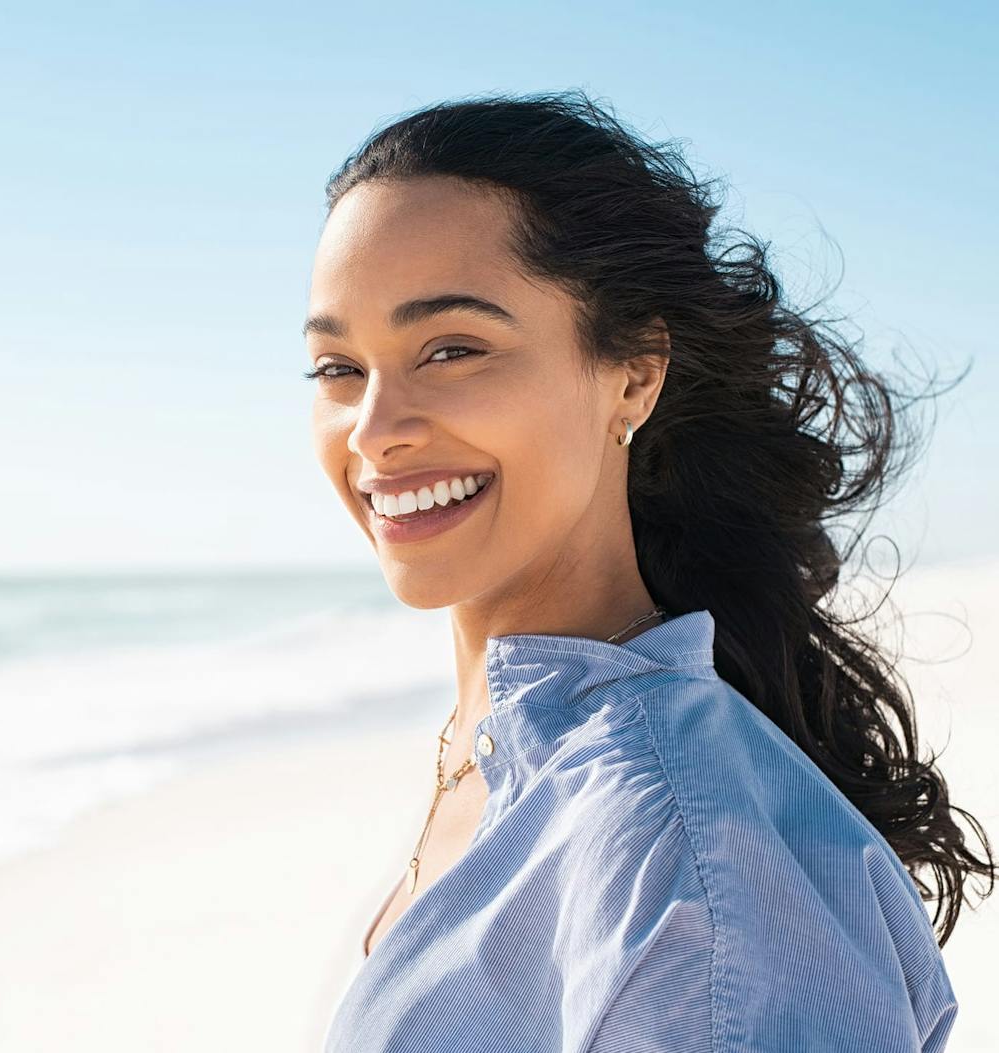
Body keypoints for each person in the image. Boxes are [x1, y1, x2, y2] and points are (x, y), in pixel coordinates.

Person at [302, 90, 993, 1052]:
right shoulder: (502, 744)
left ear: (634, 372)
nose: (375, 431)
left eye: (451, 348)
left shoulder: (694, 882)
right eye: (338, 367)